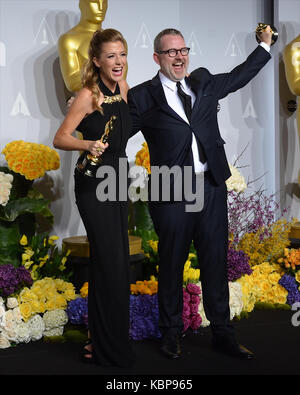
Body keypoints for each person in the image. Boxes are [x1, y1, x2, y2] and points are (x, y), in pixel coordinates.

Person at [127, 26, 273, 360]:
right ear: (156, 58)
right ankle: (170, 334)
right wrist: (88, 114)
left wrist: (264, 46)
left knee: (214, 262)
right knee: (171, 262)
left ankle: (223, 334)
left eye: (183, 51)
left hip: (210, 186)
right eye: (170, 52)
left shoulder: (203, 84)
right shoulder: (142, 96)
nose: (179, 57)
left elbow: (239, 75)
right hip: (170, 189)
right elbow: (117, 127)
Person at [53, 28, 135, 367]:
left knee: (116, 263)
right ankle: (103, 345)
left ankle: (100, 338)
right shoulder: (88, 95)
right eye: (111, 56)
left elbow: (120, 131)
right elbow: (60, 138)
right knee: (108, 261)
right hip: (93, 182)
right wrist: (86, 144)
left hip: (118, 178)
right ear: (97, 61)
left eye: (122, 54)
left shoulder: (125, 89)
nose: (118, 62)